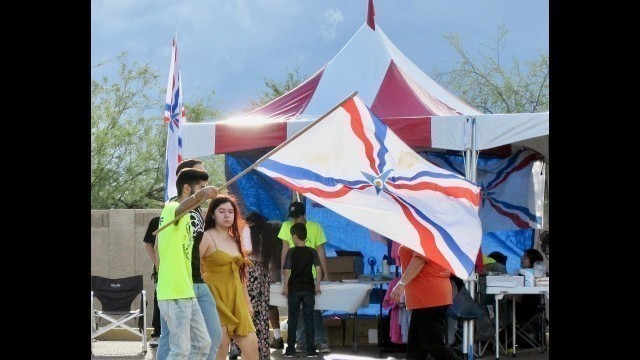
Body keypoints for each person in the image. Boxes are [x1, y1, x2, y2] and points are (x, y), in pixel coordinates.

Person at [157, 160, 223, 360]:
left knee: (203, 344)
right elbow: (179, 210)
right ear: (187, 188)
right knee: (179, 350)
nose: (205, 192)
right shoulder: (171, 208)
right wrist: (201, 194)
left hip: (187, 290)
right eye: (200, 188)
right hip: (173, 291)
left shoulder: (191, 217)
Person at [201, 195, 259, 360]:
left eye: (230, 212)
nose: (227, 215)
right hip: (214, 298)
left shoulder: (235, 239)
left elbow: (242, 276)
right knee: (221, 347)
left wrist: (247, 302)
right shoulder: (206, 236)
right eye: (221, 211)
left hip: (236, 298)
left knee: (252, 346)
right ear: (213, 214)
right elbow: (193, 268)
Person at [278, 201, 331, 353]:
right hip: (294, 277)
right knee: (297, 311)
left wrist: (325, 273)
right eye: (292, 217)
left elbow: (320, 250)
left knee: (314, 310)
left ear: (304, 215)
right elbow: (284, 250)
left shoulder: (315, 227)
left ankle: (320, 341)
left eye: (297, 217)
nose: (294, 220)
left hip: (312, 276)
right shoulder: (286, 226)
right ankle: (302, 342)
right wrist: (284, 273)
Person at [389, 245, 459, 360]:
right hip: (427, 297)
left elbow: (419, 260)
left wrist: (401, 284)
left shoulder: (421, 234)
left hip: (429, 296)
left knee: (432, 343)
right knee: (416, 347)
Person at [239, 212, 278, 360]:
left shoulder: (248, 232)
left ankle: (243, 350)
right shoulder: (267, 234)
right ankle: (263, 351)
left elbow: (246, 252)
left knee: (247, 313)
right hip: (264, 273)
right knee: (262, 314)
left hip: (249, 272)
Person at [282, 222, 322, 358]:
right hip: (309, 289)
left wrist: (285, 287)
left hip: (294, 289)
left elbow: (286, 271)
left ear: (294, 236)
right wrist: (317, 285)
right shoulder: (312, 251)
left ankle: (290, 350)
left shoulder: (291, 252)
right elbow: (318, 269)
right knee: (309, 319)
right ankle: (310, 351)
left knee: (292, 320)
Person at [142, 216, 161, 348]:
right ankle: (157, 334)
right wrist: (158, 265)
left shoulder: (189, 219)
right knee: (159, 300)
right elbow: (148, 245)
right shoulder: (157, 221)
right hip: (163, 271)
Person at [267, 221, 285, 349]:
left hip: (273, 274)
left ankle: (278, 337)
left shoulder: (267, 241)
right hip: (289, 274)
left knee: (270, 306)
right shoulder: (285, 239)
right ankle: (278, 338)